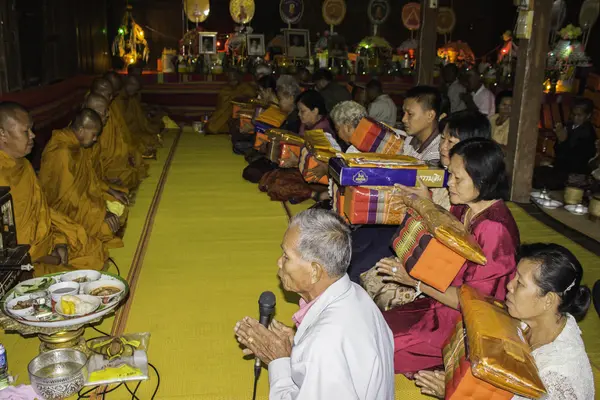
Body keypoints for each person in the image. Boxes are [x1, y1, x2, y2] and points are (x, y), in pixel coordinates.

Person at [379, 138, 519, 374]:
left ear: (481, 180)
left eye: (457, 178)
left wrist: (415, 282)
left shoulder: (495, 230)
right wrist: (423, 204)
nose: (449, 184)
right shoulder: (465, 207)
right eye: (449, 175)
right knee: (373, 328)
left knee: (378, 348)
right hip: (437, 306)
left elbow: (472, 303)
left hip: (460, 327)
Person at [234, 209, 394, 399]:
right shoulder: (356, 294)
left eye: (286, 257)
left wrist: (279, 361)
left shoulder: (323, 345)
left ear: (315, 271)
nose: (279, 262)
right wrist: (298, 346)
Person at [414, 243, 594, 400]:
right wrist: (420, 283)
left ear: (549, 300)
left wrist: (454, 394)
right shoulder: (534, 319)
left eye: (520, 283)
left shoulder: (557, 377)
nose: (509, 285)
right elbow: (471, 304)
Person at [347, 111, 492, 283]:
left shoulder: (469, 186)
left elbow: (451, 232)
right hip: (404, 227)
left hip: (423, 245)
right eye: (442, 139)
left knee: (357, 270)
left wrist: (425, 203)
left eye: (451, 142)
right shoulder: (439, 170)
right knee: (350, 248)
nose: (443, 146)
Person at [0, 102, 107, 276]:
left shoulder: (24, 166)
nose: (33, 135)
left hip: (45, 242)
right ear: (2, 134)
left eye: (32, 130)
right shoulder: (2, 177)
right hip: (23, 260)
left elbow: (41, 211)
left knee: (92, 248)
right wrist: (46, 256)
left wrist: (59, 240)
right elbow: (9, 245)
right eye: (26, 131)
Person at [38, 108, 126, 249]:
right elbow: (69, 197)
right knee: (105, 229)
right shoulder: (62, 153)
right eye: (94, 134)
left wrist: (110, 190)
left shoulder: (76, 145)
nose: (95, 139)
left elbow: (89, 178)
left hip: (84, 201)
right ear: (81, 130)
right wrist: (100, 213)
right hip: (64, 209)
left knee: (119, 202)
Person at [83, 92, 147, 190]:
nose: (108, 115)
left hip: (101, 176)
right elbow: (82, 178)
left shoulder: (96, 128)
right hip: (88, 186)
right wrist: (106, 186)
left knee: (129, 174)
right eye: (105, 112)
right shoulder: (81, 135)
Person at [533, 98, 597, 190]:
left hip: (573, 174)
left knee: (542, 179)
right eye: (573, 114)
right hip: (561, 168)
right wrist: (560, 140)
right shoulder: (569, 125)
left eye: (579, 115)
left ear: (588, 116)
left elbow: (575, 159)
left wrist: (563, 141)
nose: (575, 118)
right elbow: (558, 151)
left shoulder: (588, 134)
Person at [206, 70, 257, 135]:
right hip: (225, 117)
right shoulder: (226, 89)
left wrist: (239, 98)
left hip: (240, 115)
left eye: (234, 78)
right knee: (212, 127)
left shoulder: (245, 87)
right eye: (231, 78)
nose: (232, 80)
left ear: (239, 77)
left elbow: (253, 98)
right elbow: (221, 107)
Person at [401, 85, 442, 163]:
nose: (404, 119)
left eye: (410, 114)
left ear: (430, 116)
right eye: (404, 113)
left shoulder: (438, 153)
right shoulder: (409, 139)